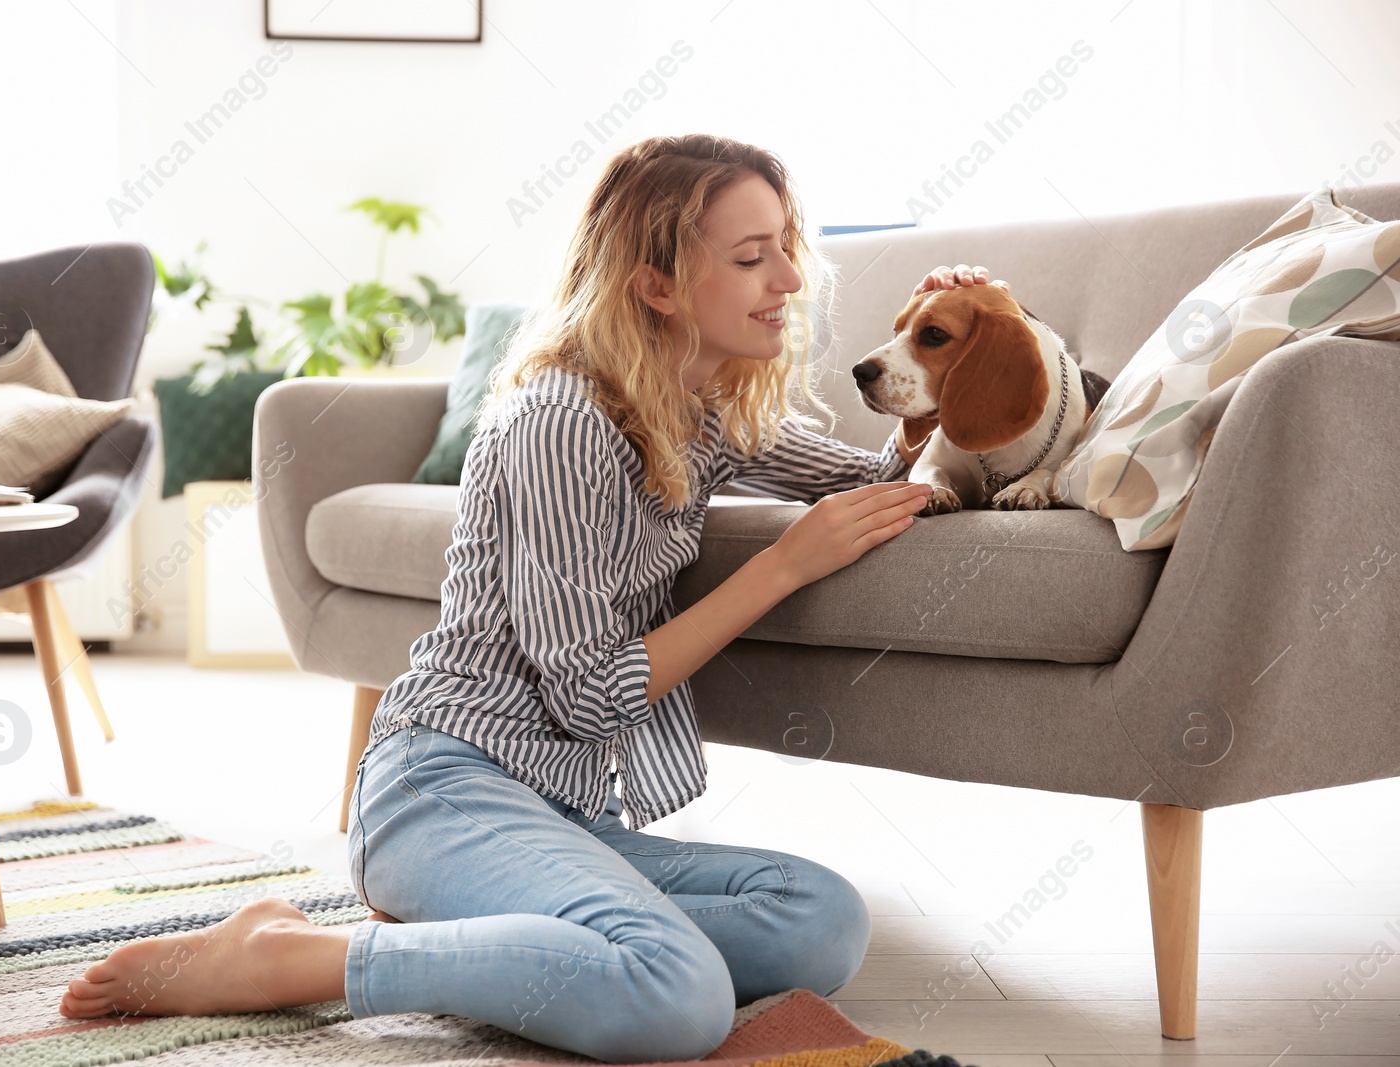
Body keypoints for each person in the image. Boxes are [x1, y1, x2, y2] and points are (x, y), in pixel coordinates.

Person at [58, 133, 1005, 1063]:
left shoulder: (703, 411)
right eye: (753, 257)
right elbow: (591, 695)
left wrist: (952, 337)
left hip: (562, 810)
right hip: (446, 787)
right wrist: (782, 567)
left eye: (786, 251)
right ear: (658, 284)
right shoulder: (563, 420)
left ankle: (498, 930)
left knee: (822, 923)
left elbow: (889, 478)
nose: (789, 281)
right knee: (677, 997)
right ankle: (290, 956)